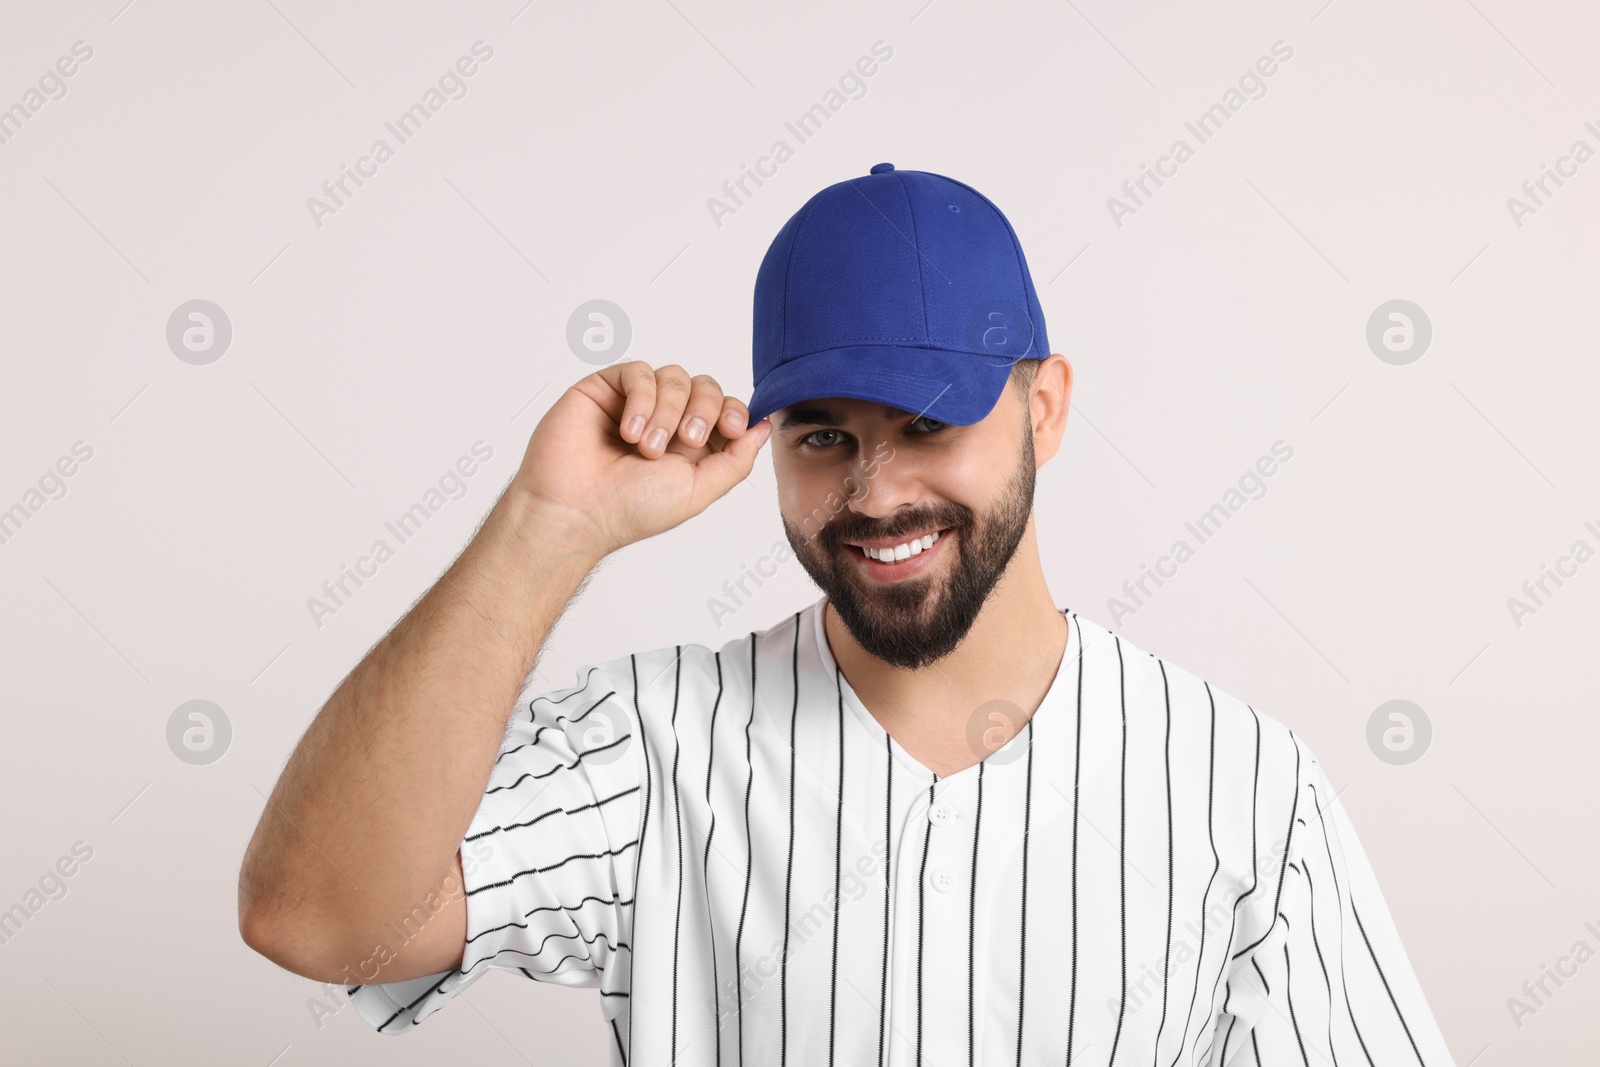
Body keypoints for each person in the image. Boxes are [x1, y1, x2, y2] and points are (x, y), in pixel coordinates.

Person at [238, 164, 1456, 1066]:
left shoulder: (1240, 784)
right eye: (825, 435)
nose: (874, 496)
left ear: (1045, 409)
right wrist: (548, 524)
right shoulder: (653, 744)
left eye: (928, 423)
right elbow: (319, 917)